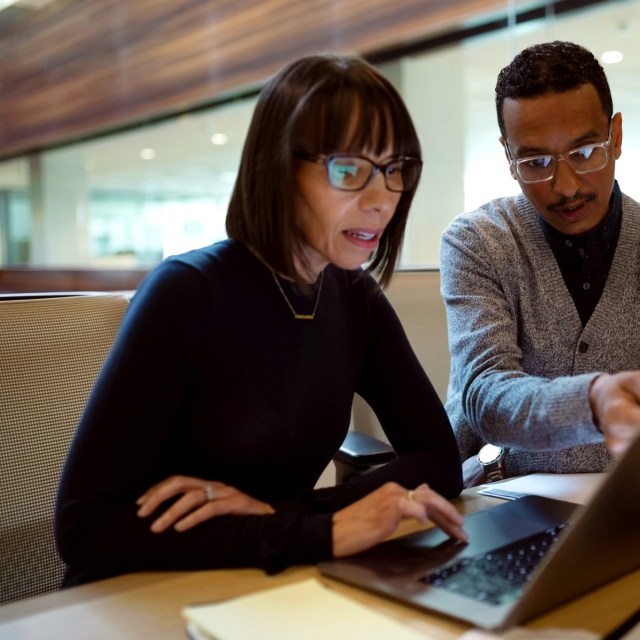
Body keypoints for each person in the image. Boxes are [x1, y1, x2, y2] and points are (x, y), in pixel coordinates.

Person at [55, 53, 466, 586]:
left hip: (268, 580)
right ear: (279, 167)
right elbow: (84, 527)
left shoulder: (354, 296)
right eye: (349, 169)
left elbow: (439, 458)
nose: (381, 200)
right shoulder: (188, 291)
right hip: (141, 595)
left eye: (394, 170)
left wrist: (293, 515)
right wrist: (324, 531)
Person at [440, 41, 640, 486]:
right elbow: (485, 394)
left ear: (617, 136)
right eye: (535, 162)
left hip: (634, 495)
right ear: (509, 159)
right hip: (502, 493)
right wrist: (591, 402)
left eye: (586, 152)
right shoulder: (477, 242)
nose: (566, 187)